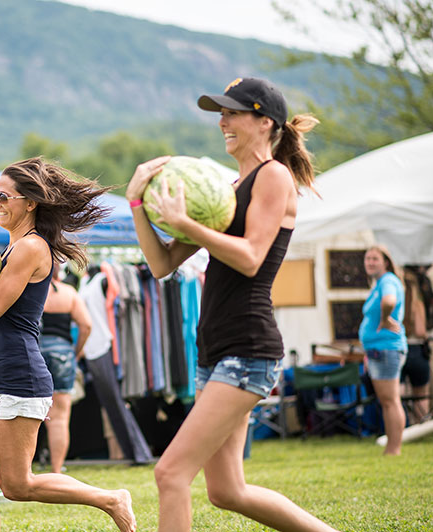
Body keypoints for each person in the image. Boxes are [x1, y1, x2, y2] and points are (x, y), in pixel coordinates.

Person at [127, 77, 338, 532]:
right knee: (226, 491)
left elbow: (249, 257)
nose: (221, 122)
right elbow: (162, 263)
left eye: (231, 113)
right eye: (219, 114)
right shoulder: (229, 187)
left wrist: (188, 224)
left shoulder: (273, 176)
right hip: (217, 348)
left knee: (170, 473)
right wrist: (136, 203)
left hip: (248, 347)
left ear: (265, 122)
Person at [0, 157, 136, 532]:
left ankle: (111, 499)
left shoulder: (31, 247)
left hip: (23, 376)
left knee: (17, 485)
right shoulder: (11, 248)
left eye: (3, 196)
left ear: (30, 202)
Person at [39, 263, 92, 473]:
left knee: (28, 413)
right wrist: (76, 352)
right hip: (63, 354)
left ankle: (24, 467)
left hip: (34, 353)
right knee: (59, 418)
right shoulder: (69, 293)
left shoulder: (29, 290)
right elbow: (86, 325)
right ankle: (57, 469)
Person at [360, 245, 408, 455]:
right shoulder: (380, 283)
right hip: (378, 350)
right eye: (367, 258)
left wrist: (385, 318)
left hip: (387, 349)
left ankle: (394, 449)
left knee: (390, 401)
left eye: (375, 259)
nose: (370, 262)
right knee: (387, 401)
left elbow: (389, 301)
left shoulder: (388, 281)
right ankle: (391, 447)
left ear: (385, 262)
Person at [401, 265, 433, 422]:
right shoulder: (417, 303)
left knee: (399, 393)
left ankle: (403, 425)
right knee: (421, 394)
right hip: (417, 350)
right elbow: (421, 331)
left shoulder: (395, 301)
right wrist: (428, 336)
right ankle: (422, 425)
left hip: (400, 348)